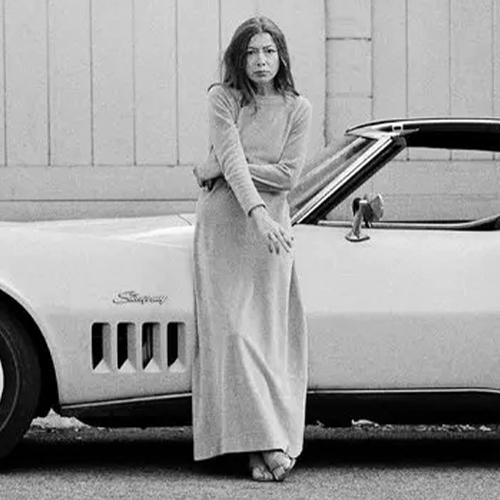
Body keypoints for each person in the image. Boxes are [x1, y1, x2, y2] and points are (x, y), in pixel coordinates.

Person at [192, 16, 312, 482]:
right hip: (228, 225)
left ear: (280, 55)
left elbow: (289, 176)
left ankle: (260, 446)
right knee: (234, 338)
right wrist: (255, 210)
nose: (260, 61)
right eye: (251, 53)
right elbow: (240, 165)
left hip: (271, 237)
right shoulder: (222, 99)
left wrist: (221, 165)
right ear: (238, 58)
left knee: (266, 341)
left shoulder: (298, 108)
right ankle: (264, 442)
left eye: (268, 51)